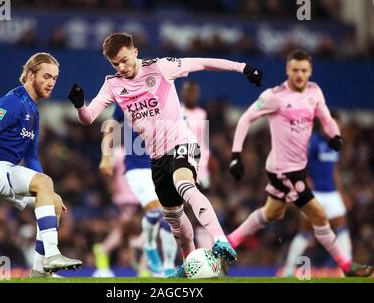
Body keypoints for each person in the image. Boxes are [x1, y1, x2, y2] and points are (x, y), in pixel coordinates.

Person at [67, 32, 262, 277]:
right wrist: (79, 104)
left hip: (182, 144)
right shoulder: (113, 84)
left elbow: (201, 62)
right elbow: (89, 117)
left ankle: (220, 240)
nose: (122, 67)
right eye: (115, 64)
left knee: (184, 184)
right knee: (175, 219)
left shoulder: (160, 68)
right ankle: (188, 263)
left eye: (125, 60)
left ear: (135, 52)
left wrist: (242, 67)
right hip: (157, 158)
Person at [226, 49, 374, 277]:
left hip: (297, 169)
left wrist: (336, 136)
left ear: (310, 71)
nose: (299, 74)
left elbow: (325, 116)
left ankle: (226, 245)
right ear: (287, 70)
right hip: (282, 170)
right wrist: (236, 154)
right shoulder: (274, 96)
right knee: (320, 216)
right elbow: (246, 118)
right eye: (294, 69)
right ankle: (347, 266)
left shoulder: (314, 92)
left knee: (271, 213)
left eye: (303, 70)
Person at [0, 52, 82, 278]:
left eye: (55, 78)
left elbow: (31, 156)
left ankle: (41, 271)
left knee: (54, 201)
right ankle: (52, 254)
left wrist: (47, 190)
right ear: (31, 75)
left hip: (5, 171)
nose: (52, 82)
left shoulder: (33, 111)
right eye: (47, 76)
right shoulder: (14, 101)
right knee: (45, 185)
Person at [98, 105, 178, 277]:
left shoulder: (163, 97)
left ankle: (160, 265)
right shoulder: (125, 99)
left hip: (160, 168)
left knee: (169, 217)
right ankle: (143, 248)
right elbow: (112, 124)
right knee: (154, 213)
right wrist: (105, 156)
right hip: (136, 172)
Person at [282, 114, 353, 277]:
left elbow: (334, 170)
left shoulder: (336, 144)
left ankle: (346, 270)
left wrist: (341, 193)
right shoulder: (313, 141)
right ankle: (288, 270)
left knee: (342, 230)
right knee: (305, 232)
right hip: (315, 194)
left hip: (332, 194)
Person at [93, 146, 144, 277]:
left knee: (133, 231)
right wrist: (111, 185)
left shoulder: (139, 151)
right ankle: (104, 249)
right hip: (127, 196)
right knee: (128, 229)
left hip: (136, 195)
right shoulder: (120, 152)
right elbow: (105, 168)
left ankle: (140, 268)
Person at [180, 80, 214, 250]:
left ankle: (208, 253)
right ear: (182, 93)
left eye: (194, 92)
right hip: (181, 168)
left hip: (201, 170)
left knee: (202, 213)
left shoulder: (202, 113)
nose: (191, 95)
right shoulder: (177, 112)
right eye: (188, 91)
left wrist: (208, 166)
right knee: (180, 214)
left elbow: (204, 143)